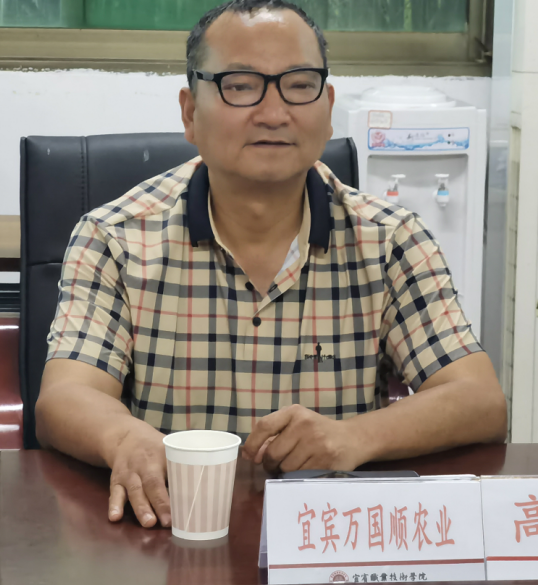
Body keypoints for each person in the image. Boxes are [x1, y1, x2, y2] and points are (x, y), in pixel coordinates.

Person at [35, 0, 507, 531]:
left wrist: (355, 436)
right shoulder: (115, 237)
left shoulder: (390, 240)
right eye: (240, 85)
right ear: (190, 113)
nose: (274, 113)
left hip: (330, 539)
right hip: (168, 530)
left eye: (299, 85)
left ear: (328, 107)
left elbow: (479, 400)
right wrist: (125, 437)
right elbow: (65, 397)